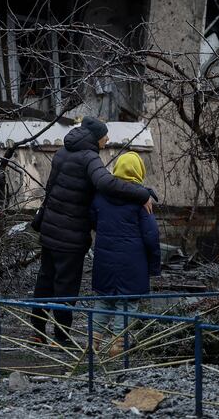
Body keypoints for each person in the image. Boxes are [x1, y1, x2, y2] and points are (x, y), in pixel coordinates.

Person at [30, 116, 154, 346]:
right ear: (96, 138)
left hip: (50, 229)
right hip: (71, 235)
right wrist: (142, 193)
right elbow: (106, 184)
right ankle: (62, 336)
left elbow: (50, 189)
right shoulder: (89, 158)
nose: (107, 140)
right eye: (105, 136)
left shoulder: (62, 153)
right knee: (66, 286)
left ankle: (36, 330)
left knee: (45, 280)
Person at [90, 152, 161, 357]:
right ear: (139, 171)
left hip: (104, 258)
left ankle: (91, 342)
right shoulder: (142, 199)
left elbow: (93, 219)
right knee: (127, 302)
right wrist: (154, 266)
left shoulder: (101, 195)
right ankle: (118, 346)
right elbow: (151, 235)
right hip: (133, 262)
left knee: (104, 299)